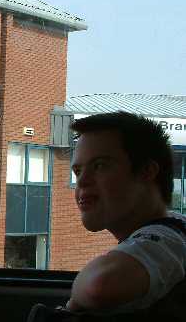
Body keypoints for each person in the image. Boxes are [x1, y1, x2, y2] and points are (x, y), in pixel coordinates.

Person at [28, 111, 185, 321]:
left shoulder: (167, 237)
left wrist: (72, 303)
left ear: (146, 171)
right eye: (77, 171)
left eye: (100, 165)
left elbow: (100, 285)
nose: (82, 181)